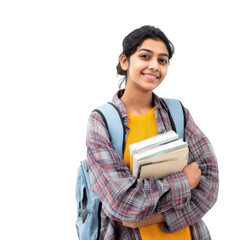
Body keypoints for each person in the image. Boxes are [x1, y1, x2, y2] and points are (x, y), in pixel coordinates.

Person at [86, 25, 219, 240]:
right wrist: (185, 182)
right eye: (145, 56)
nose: (154, 66)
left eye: (162, 60)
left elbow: (209, 185)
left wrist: (151, 218)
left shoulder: (177, 113)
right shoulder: (102, 121)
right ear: (125, 61)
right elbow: (122, 202)